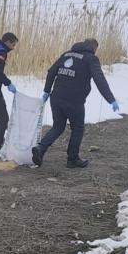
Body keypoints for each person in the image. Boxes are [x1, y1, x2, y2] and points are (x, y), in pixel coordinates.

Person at [32, 38, 120, 168]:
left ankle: (40, 148)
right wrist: (110, 99)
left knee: (58, 127)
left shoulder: (66, 54)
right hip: (74, 100)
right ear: (94, 48)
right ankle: (72, 159)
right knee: (78, 128)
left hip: (56, 97)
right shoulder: (91, 58)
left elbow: (51, 72)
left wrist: (46, 91)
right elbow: (99, 78)